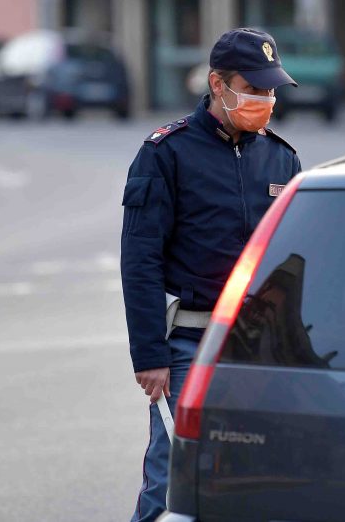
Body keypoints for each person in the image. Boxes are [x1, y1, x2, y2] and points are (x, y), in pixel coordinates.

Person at [120, 28, 302, 522]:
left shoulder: (282, 158)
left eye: (271, 90)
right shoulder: (166, 153)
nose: (265, 100)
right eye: (254, 88)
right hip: (188, 347)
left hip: (258, 350)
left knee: (253, 478)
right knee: (173, 478)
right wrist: (149, 355)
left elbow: (292, 266)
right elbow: (140, 259)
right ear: (217, 84)